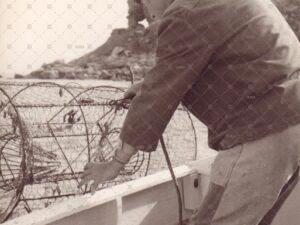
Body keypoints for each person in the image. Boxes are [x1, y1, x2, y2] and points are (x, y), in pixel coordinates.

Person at [79, 0, 300, 224]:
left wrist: (115, 164)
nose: (150, 22)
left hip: (263, 130)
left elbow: (156, 98)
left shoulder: (184, 13)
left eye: (145, 12)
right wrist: (150, 83)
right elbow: (231, 59)